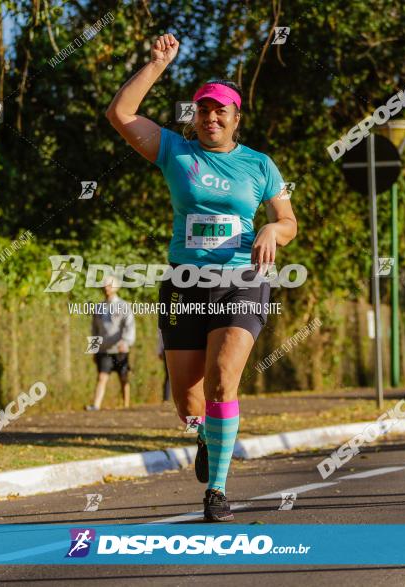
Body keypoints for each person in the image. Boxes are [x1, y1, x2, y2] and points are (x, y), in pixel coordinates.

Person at [106, 33, 297, 521]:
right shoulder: (176, 151)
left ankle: (217, 490)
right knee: (187, 397)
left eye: (220, 111)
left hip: (242, 280)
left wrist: (274, 227)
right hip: (184, 283)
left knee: (221, 382)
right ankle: (203, 433)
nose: (210, 117)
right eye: (203, 109)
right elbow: (121, 115)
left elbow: (289, 221)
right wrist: (155, 66)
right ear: (194, 115)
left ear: (236, 118)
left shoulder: (259, 164)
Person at [86, 276, 135, 411]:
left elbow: (129, 326)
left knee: (123, 378)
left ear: (116, 287)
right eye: (105, 285)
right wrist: (94, 348)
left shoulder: (124, 306)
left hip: (120, 349)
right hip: (104, 350)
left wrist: (126, 342)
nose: (106, 287)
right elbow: (94, 329)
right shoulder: (98, 308)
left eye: (110, 285)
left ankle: (126, 405)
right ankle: (96, 405)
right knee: (102, 377)